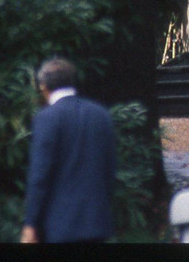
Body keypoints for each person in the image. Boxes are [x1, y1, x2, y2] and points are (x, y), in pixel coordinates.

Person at [21, 57, 117, 243]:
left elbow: (40, 175)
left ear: (44, 87)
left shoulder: (46, 118)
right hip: (97, 222)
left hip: (60, 226)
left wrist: (31, 223)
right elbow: (110, 169)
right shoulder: (101, 115)